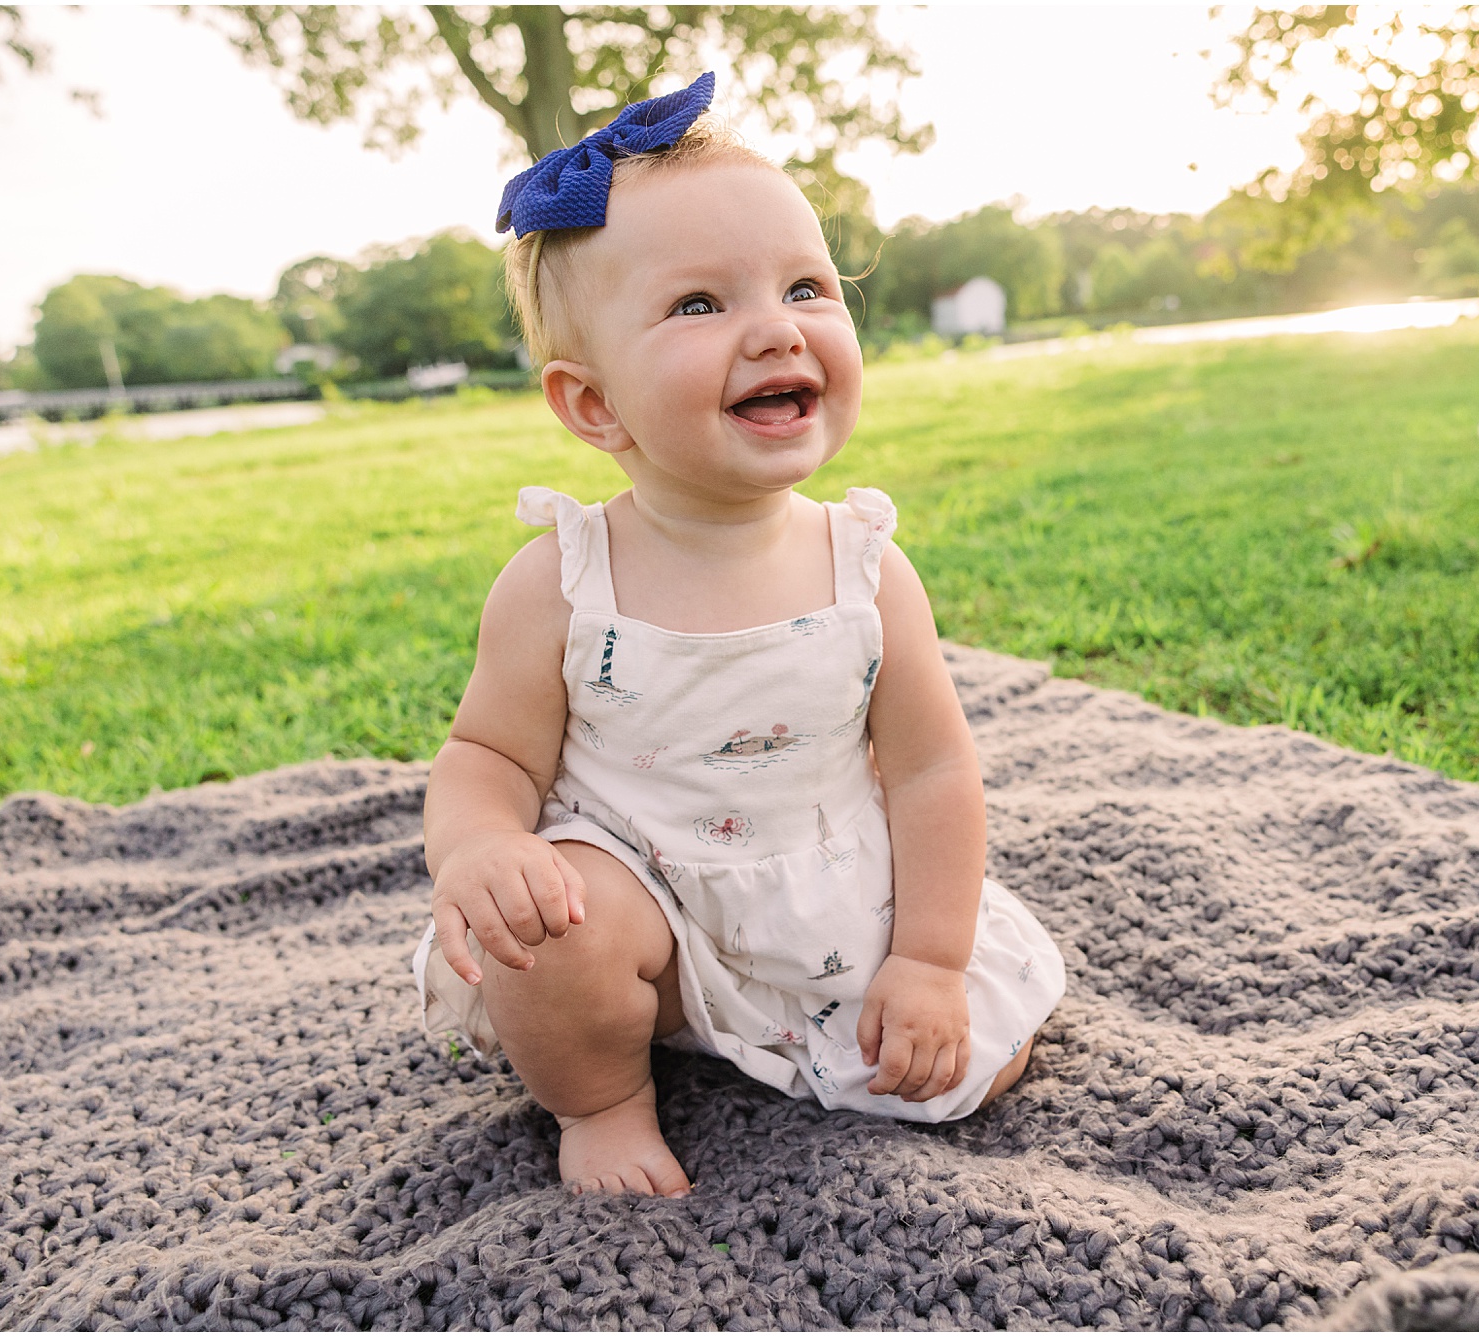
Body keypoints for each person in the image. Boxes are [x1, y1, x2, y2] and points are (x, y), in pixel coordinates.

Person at [412, 73, 1065, 1198]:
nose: (775, 328)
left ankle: (810, 1008)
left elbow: (929, 770)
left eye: (806, 287)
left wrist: (927, 960)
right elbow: (488, 755)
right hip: (634, 905)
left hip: (818, 906)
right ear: (593, 404)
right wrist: (477, 848)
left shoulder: (864, 568)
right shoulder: (561, 583)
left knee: (983, 1061)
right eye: (699, 305)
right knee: (550, 940)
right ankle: (603, 1099)